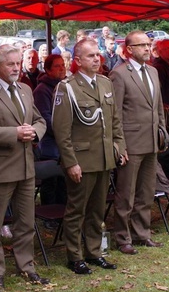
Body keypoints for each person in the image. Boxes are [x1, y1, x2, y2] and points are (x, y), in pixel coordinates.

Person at [0, 44, 48, 288]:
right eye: (10, 64)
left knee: (25, 223)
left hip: (26, 168)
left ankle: (26, 267)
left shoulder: (25, 89)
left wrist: (35, 132)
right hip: (1, 169)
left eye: (18, 62)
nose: (16, 67)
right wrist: (13, 133)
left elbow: (39, 120)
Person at [53, 38, 125, 274]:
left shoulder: (105, 83)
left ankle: (94, 252)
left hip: (104, 157)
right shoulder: (68, 87)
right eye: (90, 56)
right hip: (82, 160)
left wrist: (119, 147)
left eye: (97, 55)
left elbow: (115, 121)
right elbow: (61, 131)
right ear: (77, 61)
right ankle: (75, 256)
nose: (96, 59)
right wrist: (70, 162)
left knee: (97, 209)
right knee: (77, 210)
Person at [110, 31, 166, 254]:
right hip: (131, 142)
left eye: (149, 44)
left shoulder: (153, 71)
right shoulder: (119, 74)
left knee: (146, 191)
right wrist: (119, 145)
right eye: (141, 45)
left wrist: (162, 131)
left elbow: (158, 106)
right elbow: (115, 114)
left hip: (152, 140)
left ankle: (142, 233)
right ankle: (123, 237)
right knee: (126, 192)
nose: (146, 48)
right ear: (129, 49)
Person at [33, 54, 68, 206]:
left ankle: (61, 212)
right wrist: (63, 133)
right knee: (50, 184)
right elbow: (44, 118)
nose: (61, 69)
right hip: (50, 146)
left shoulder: (65, 86)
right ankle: (49, 216)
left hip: (64, 144)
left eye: (63, 65)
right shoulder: (42, 90)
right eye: (56, 66)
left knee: (63, 183)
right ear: (47, 70)